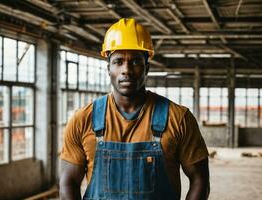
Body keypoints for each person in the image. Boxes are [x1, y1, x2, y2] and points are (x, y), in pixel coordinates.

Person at [59, 18, 210, 200]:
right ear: (108, 68)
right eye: (118, 61)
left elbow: (200, 179)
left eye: (136, 61)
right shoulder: (83, 119)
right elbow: (68, 182)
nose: (126, 70)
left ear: (147, 68)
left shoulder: (178, 118)